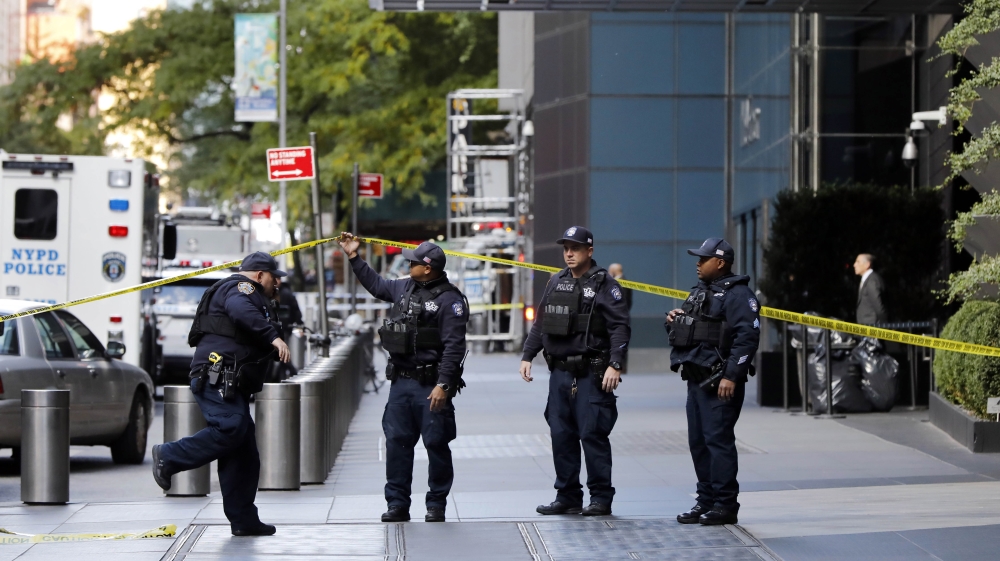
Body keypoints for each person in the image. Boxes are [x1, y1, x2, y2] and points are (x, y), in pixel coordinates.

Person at [151, 251, 291, 537]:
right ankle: (168, 455)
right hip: (216, 375)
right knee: (231, 427)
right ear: (260, 274)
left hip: (232, 381)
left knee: (245, 453)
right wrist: (272, 337)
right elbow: (241, 312)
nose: (277, 282)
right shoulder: (240, 288)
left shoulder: (256, 297)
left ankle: (243, 519)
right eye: (274, 276)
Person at [337, 233, 468, 524]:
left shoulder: (450, 300)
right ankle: (397, 504)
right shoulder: (404, 287)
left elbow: (454, 347)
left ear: (428, 268)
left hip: (431, 384)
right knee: (396, 443)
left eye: (413, 264)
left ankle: (436, 504)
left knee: (436, 444)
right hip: (401, 384)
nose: (408, 267)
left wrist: (443, 385)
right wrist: (354, 257)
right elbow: (376, 285)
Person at [520, 226, 631, 517]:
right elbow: (542, 323)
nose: (569, 253)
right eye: (566, 248)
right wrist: (527, 355)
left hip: (591, 373)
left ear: (589, 251)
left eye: (576, 248)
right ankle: (567, 495)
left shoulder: (606, 284)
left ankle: (600, 497)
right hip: (559, 374)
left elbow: (619, 326)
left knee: (592, 435)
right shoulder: (556, 281)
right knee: (561, 435)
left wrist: (615, 364)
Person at [665, 238, 759, 526]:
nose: (697, 263)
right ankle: (706, 500)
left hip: (719, 381)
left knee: (718, 443)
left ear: (720, 263)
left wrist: (732, 375)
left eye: (703, 258)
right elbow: (692, 331)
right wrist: (674, 320)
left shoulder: (739, 294)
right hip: (696, 381)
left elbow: (747, 337)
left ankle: (725, 505)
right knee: (699, 443)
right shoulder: (699, 293)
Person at [854, 253, 886, 325]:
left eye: (858, 262)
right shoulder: (867, 279)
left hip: (872, 328)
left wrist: (884, 327)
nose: (854, 265)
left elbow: (879, 307)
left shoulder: (872, 280)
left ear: (867, 265)